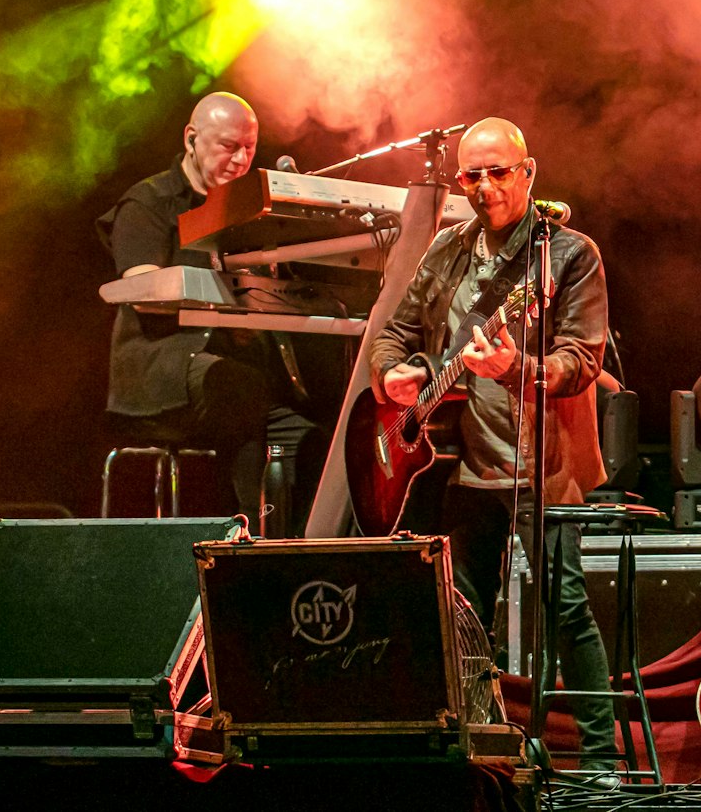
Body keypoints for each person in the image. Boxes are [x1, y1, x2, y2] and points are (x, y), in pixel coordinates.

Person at [368, 117, 619, 780]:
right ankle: (479, 745)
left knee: (565, 608)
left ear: (527, 172)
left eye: (499, 172)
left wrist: (515, 369)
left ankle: (600, 761)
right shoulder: (449, 248)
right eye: (472, 175)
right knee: (464, 614)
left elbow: (581, 360)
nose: (486, 187)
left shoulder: (567, 255)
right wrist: (393, 374)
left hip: (544, 464)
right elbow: (393, 331)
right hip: (465, 462)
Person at [98, 91, 315, 520]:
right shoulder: (149, 202)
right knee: (238, 387)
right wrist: (231, 307)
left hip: (237, 377)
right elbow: (145, 297)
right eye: (228, 147)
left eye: (249, 148)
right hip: (161, 370)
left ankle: (298, 544)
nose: (241, 161)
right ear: (191, 139)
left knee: (313, 438)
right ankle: (247, 535)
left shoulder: (250, 211)